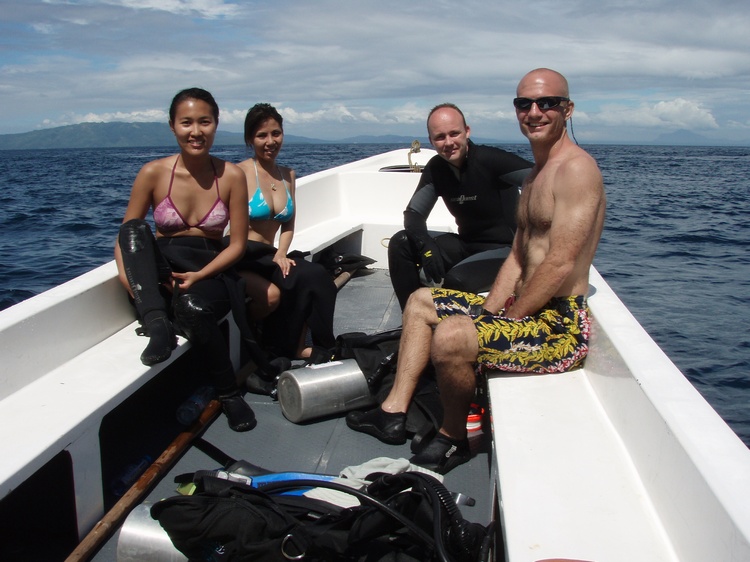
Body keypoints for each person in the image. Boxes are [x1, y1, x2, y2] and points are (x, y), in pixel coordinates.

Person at [348, 68, 606, 474]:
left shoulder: (576, 170)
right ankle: (394, 410)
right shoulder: (538, 175)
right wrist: (490, 312)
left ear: (567, 109)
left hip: (559, 327)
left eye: (547, 103)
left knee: (452, 335)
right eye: (525, 104)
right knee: (420, 301)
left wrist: (507, 320)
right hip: (526, 311)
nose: (534, 112)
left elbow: (560, 262)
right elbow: (519, 259)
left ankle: (453, 437)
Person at [114, 87, 257, 432]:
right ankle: (158, 322)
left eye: (204, 122)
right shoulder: (153, 173)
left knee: (193, 307)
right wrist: (135, 286)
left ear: (216, 124)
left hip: (210, 268)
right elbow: (125, 240)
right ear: (172, 126)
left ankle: (228, 393)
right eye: (187, 123)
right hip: (162, 267)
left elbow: (236, 245)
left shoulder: (232, 176)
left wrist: (198, 276)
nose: (196, 131)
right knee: (135, 230)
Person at [387, 103, 533, 310]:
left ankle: (447, 334)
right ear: (431, 141)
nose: (448, 143)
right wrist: (426, 247)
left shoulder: (491, 160)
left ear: (467, 131)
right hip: (466, 244)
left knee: (456, 280)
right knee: (400, 242)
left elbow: (542, 181)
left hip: (505, 251)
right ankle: (410, 317)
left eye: (454, 134)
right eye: (440, 137)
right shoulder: (437, 168)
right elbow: (413, 214)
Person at [235, 103, 336, 363]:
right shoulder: (238, 173)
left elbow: (289, 224)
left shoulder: (288, 175)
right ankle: (271, 343)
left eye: (276, 133)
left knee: (316, 275)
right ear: (249, 139)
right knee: (291, 281)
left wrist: (281, 252)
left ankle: (320, 345)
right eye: (261, 135)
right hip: (243, 256)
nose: (271, 141)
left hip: (270, 255)